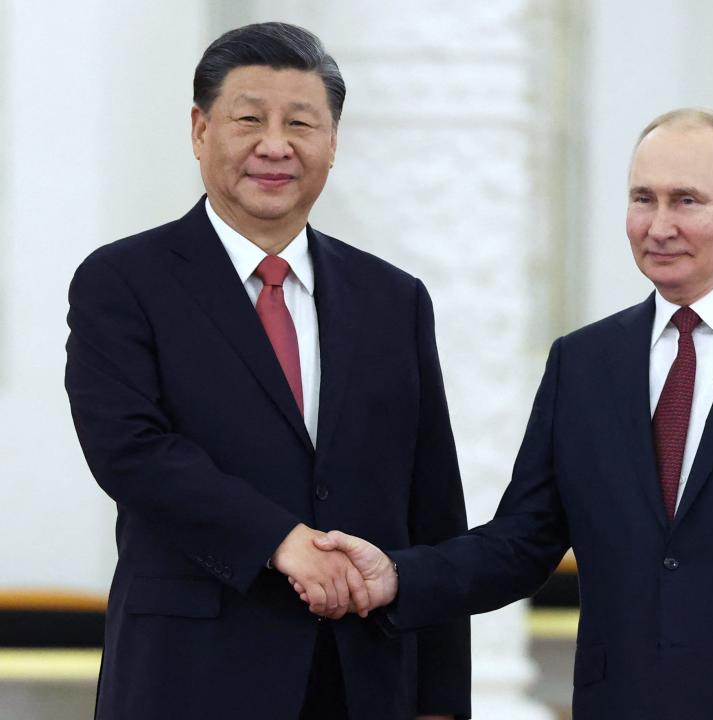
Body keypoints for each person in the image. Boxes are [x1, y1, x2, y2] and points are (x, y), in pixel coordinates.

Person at [311, 109, 713, 719]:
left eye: (686, 201)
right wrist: (397, 575)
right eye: (642, 199)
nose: (658, 226)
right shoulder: (583, 362)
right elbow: (522, 542)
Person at [65, 22, 469, 720]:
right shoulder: (124, 281)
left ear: (333, 142)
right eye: (248, 119)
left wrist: (439, 699)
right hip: (190, 676)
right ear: (200, 130)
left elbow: (431, 504)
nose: (274, 146)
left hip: (364, 677)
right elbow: (130, 452)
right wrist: (281, 543)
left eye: (301, 123)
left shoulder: (394, 299)